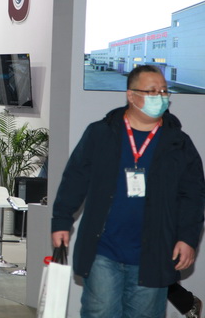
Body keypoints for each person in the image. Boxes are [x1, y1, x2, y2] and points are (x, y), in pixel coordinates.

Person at [51, 65, 205, 317]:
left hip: (154, 252)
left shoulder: (178, 143)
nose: (160, 97)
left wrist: (187, 238)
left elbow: (193, 196)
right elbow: (74, 180)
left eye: (164, 91)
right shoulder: (100, 134)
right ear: (131, 95)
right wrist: (61, 221)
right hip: (103, 249)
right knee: (100, 312)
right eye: (151, 91)